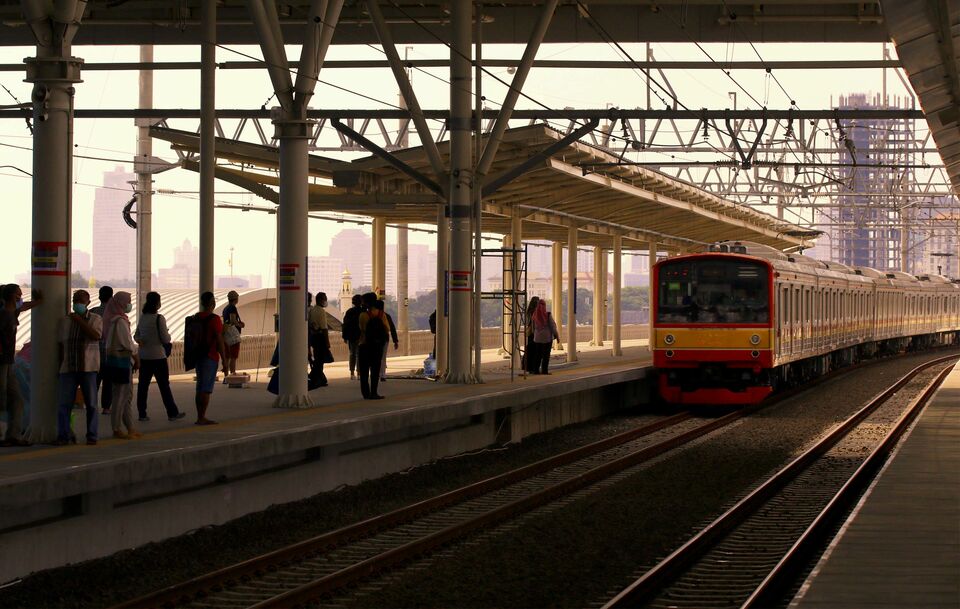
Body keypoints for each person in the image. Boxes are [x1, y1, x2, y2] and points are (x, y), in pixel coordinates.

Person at [56, 290, 102, 445]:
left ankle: (92, 435)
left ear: (88, 302)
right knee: (64, 404)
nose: (78, 303)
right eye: (75, 300)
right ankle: (64, 435)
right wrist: (59, 365)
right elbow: (61, 345)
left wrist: (80, 321)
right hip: (68, 367)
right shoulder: (65, 321)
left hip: (88, 368)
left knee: (91, 404)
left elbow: (96, 336)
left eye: (81, 300)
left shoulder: (95, 319)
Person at [134, 292, 185, 423]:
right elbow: (165, 338)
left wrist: (142, 340)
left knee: (143, 386)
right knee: (164, 386)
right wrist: (167, 333)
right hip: (158, 357)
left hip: (144, 356)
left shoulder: (143, 317)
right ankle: (172, 413)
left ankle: (142, 413)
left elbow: (136, 336)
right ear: (157, 303)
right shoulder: (159, 318)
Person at [102, 291, 140, 439]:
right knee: (120, 396)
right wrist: (137, 358)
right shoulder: (120, 321)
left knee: (126, 396)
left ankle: (130, 427)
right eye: (128, 301)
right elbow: (128, 344)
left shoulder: (113, 319)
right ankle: (117, 428)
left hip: (115, 362)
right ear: (120, 303)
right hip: (121, 362)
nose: (129, 304)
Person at [0, 284, 30, 446]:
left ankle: (13, 434)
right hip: (2, 362)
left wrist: (38, 302)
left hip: (8, 362)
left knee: (16, 399)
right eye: (19, 294)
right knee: (2, 398)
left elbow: (24, 306)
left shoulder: (12, 313)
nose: (21, 296)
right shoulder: (4, 315)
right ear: (13, 296)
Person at [194, 291, 227, 425]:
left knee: (199, 386)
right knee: (206, 388)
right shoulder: (214, 319)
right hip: (210, 356)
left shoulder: (196, 317)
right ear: (212, 303)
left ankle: (199, 415)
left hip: (198, 355)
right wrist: (224, 360)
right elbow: (219, 341)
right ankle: (202, 417)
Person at [357, 293, 388, 399]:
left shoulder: (363, 315)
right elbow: (386, 329)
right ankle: (374, 392)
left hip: (364, 345)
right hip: (377, 347)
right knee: (375, 371)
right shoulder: (381, 314)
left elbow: (361, 329)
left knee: (364, 371)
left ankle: (366, 393)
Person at [89, 285, 113, 414]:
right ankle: (106, 407)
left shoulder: (92, 312)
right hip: (109, 354)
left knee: (94, 382)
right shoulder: (114, 313)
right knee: (108, 383)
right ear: (111, 297)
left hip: (94, 354)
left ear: (99, 296)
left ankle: (91, 405)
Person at [308, 292, 330, 387]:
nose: (326, 301)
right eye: (325, 299)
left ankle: (318, 377)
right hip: (320, 338)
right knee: (320, 360)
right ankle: (316, 377)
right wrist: (327, 341)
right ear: (321, 300)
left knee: (318, 358)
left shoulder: (312, 310)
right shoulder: (321, 311)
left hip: (313, 337)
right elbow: (324, 328)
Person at [532, 300, 560, 375]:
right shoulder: (547, 315)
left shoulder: (534, 314)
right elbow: (553, 327)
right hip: (547, 339)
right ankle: (544, 371)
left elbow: (533, 327)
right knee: (546, 355)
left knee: (538, 355)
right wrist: (557, 337)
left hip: (537, 339)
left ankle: (536, 371)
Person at [221, 290, 245, 377]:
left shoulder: (225, 308)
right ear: (236, 299)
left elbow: (227, 321)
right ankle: (232, 375)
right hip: (233, 336)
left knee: (227, 357)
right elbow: (233, 320)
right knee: (233, 357)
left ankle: (226, 376)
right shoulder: (232, 308)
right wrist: (240, 325)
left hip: (226, 335)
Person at [341, 294, 363, 380]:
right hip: (361, 336)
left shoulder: (349, 312)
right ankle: (359, 373)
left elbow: (345, 325)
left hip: (351, 337)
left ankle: (352, 372)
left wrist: (345, 336)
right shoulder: (363, 311)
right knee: (359, 355)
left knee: (352, 354)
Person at [379, 301, 399, 382]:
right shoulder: (386, 316)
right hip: (384, 339)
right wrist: (395, 341)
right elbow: (392, 329)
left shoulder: (370, 315)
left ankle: (375, 373)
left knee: (375, 358)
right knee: (383, 358)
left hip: (372, 339)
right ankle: (382, 375)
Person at [524, 296, 540, 374]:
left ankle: (529, 367)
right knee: (534, 351)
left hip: (530, 334)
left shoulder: (528, 311)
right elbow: (534, 324)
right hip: (534, 333)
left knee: (530, 350)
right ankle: (532, 367)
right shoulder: (535, 312)